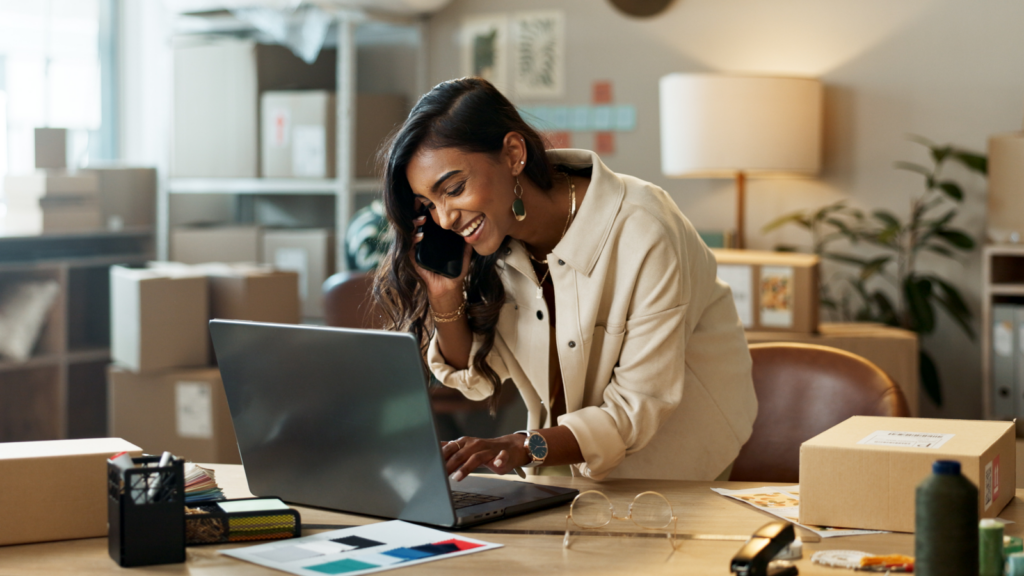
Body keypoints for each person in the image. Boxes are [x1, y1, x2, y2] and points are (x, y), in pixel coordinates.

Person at [373, 77, 758, 482]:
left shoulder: (643, 228)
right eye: (429, 204)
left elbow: (637, 408)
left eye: (454, 189)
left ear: (513, 154)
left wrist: (521, 446)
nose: (445, 218)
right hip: (563, 467)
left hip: (677, 465)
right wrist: (444, 295)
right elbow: (476, 382)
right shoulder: (496, 244)